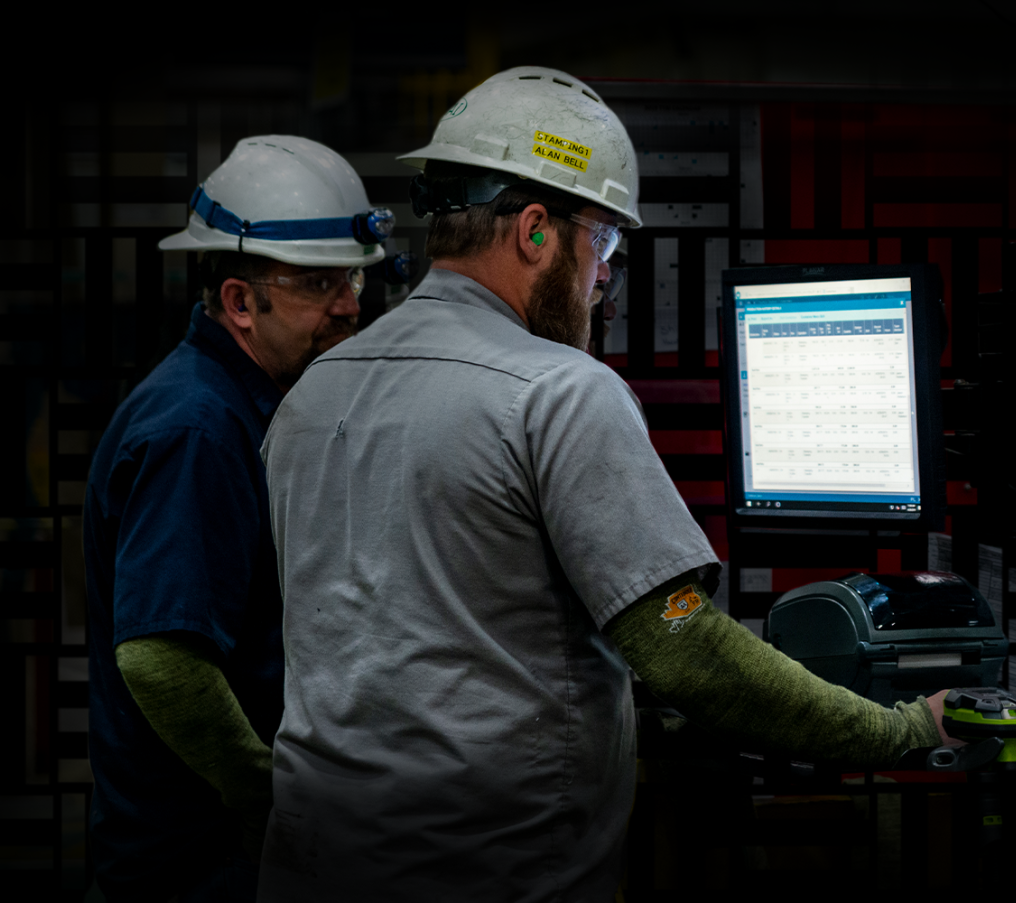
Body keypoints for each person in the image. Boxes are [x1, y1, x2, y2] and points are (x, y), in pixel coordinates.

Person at [257, 68, 951, 902]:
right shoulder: (558, 390)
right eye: (605, 242)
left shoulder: (309, 394)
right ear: (537, 232)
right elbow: (684, 646)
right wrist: (903, 728)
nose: (604, 277)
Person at [82, 135, 391, 902]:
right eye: (320, 283)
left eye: (353, 279)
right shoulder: (199, 429)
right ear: (239, 302)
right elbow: (162, 657)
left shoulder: (248, 408)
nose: (351, 306)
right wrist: (269, 799)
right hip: (192, 865)